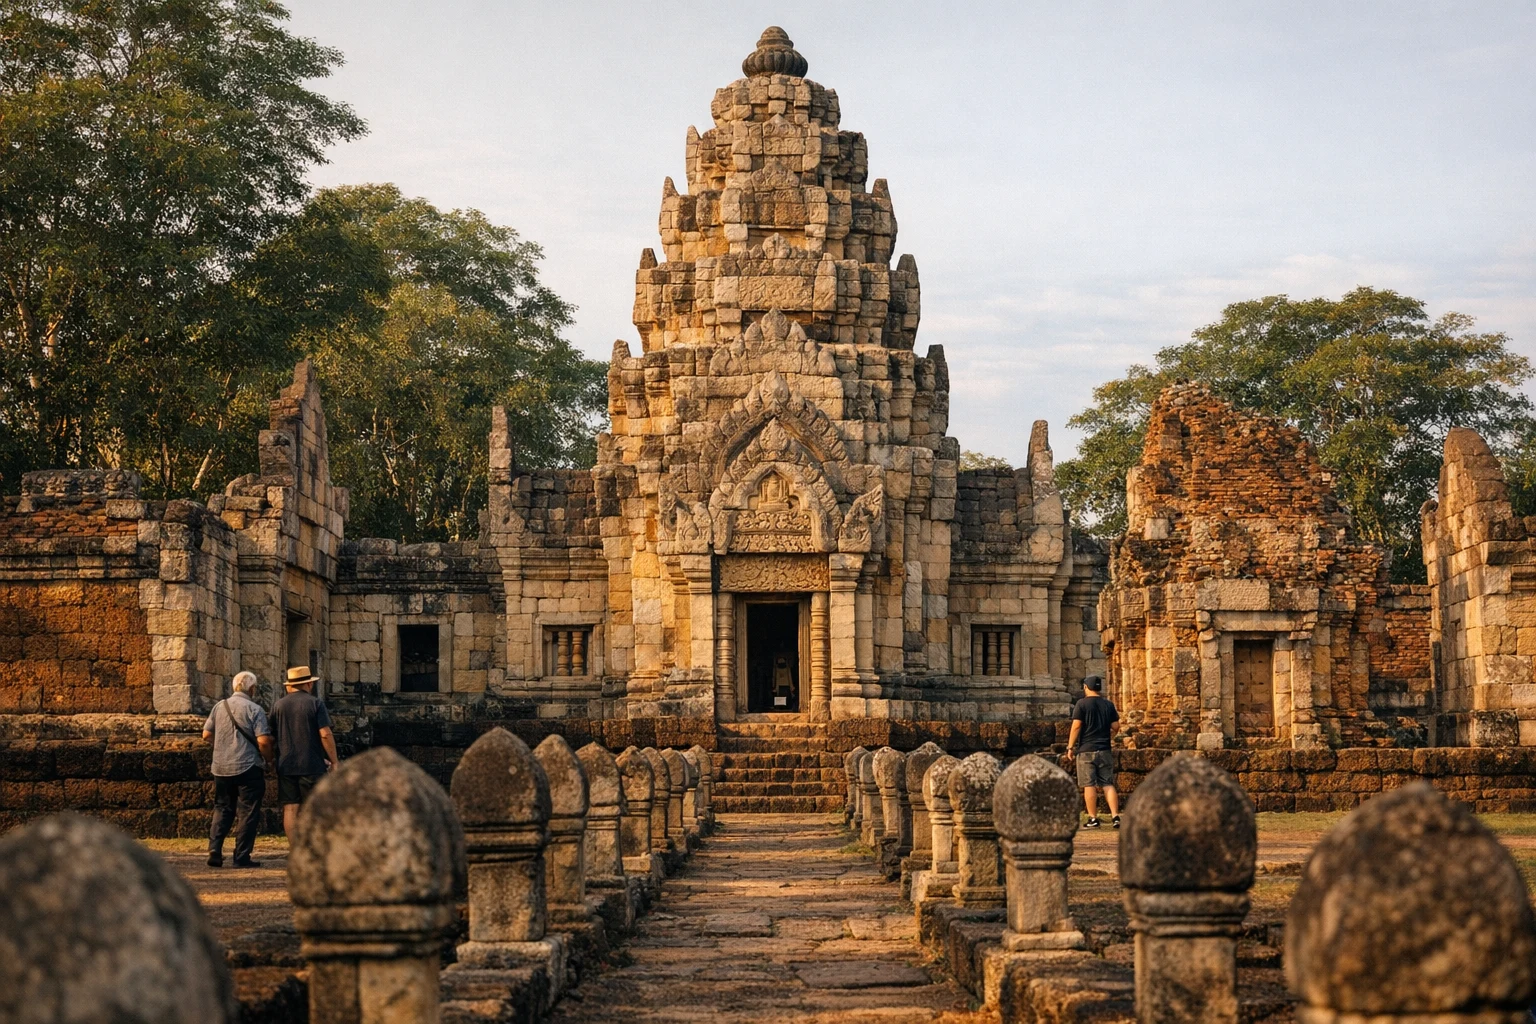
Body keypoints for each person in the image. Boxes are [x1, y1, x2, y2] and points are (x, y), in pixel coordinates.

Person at [202, 671, 274, 867]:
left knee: (222, 808)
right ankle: (241, 855)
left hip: (221, 767)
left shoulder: (219, 706)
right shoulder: (255, 709)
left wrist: (223, 747)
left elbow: (206, 734)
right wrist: (268, 759)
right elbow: (263, 741)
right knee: (248, 811)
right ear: (252, 689)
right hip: (248, 766)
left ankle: (214, 849)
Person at [270, 665, 340, 844]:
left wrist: (272, 759)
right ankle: (314, 846)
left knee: (290, 808)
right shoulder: (315, 703)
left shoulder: (278, 705)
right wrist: (334, 760)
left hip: (286, 764)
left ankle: (295, 849)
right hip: (312, 763)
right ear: (309, 684)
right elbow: (325, 733)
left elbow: (271, 736)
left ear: (289, 686)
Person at [1066, 675, 1120, 829]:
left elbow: (1076, 726)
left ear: (1085, 687)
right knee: (1107, 783)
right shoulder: (1108, 704)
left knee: (1089, 784)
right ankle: (1115, 816)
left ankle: (1093, 818)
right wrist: (1108, 736)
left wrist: (1070, 747)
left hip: (1086, 750)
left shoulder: (1081, 704)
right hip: (1104, 749)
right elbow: (1116, 727)